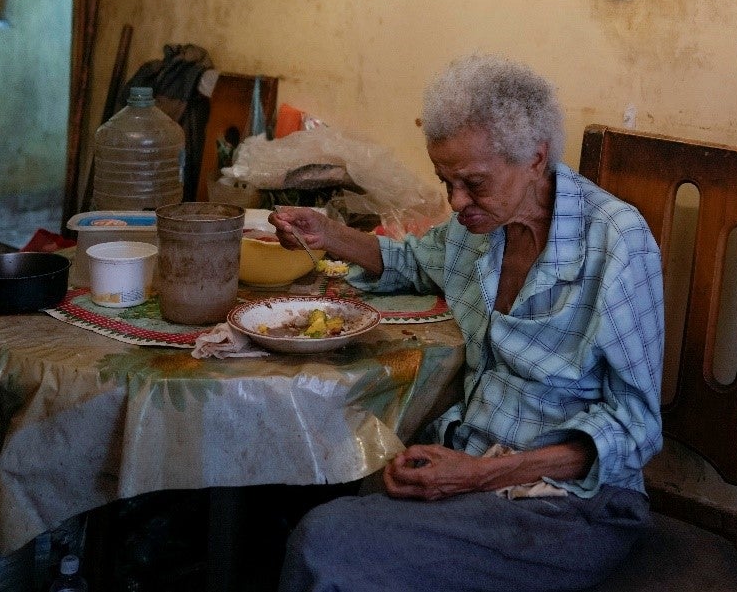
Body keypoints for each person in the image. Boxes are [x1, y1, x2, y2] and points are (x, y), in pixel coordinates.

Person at [271, 55, 665, 592]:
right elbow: (409, 262)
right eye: (446, 181)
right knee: (322, 490)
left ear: (536, 158)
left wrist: (480, 475)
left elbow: (635, 428)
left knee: (325, 542)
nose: (456, 202)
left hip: (570, 504)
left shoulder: (617, 241)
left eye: (473, 183)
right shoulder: (482, 226)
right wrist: (330, 234)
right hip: (473, 464)